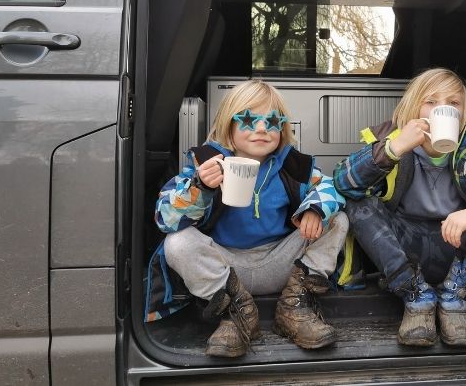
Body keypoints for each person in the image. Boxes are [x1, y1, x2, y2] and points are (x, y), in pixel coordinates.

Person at [333, 68, 466, 347]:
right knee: (357, 200)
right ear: (414, 108)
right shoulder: (391, 140)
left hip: (459, 249)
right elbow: (342, 182)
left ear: (462, 114)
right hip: (403, 252)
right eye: (431, 102)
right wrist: (394, 149)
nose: (442, 109)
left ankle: (455, 298)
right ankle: (416, 298)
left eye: (453, 103)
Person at [144, 80, 348, 357]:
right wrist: (200, 187)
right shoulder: (204, 164)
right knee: (177, 241)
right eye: (249, 119)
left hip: (282, 265)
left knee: (336, 219)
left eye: (273, 121)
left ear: (282, 128)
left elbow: (330, 187)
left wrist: (314, 209)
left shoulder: (294, 165)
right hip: (225, 271)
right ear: (229, 124)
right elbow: (164, 219)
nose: (262, 128)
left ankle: (294, 307)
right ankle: (237, 314)